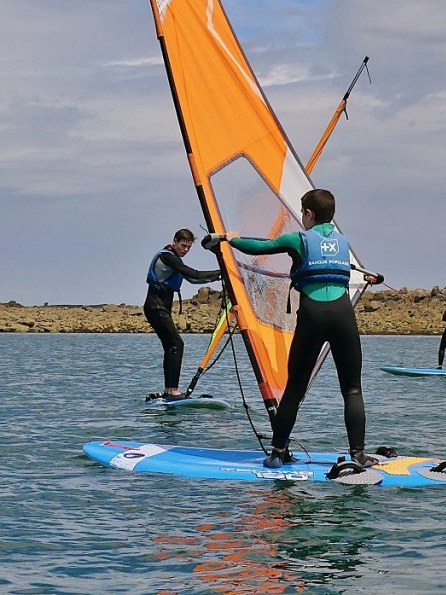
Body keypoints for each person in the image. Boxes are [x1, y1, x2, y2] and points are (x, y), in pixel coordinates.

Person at [202, 189, 384, 469]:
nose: (301, 217)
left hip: (312, 315)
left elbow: (258, 247)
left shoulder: (297, 239)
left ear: (309, 214)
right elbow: (337, 267)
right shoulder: (342, 242)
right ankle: (358, 454)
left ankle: (277, 453)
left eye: (302, 212)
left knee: (294, 389)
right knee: (352, 389)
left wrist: (227, 238)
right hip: (343, 316)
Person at [144, 229, 222, 401]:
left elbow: (194, 280)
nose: (185, 250)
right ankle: (172, 391)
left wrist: (218, 277)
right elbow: (193, 273)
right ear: (174, 241)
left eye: (188, 247)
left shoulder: (175, 260)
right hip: (155, 307)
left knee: (171, 346)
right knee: (176, 343)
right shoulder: (167, 257)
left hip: (160, 307)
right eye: (183, 245)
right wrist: (223, 271)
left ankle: (168, 390)